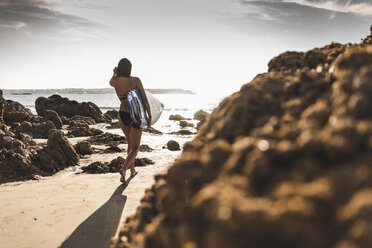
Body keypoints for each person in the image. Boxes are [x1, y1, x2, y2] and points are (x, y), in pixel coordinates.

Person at [109, 58, 152, 183]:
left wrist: (114, 73)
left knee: (130, 143)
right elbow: (144, 98)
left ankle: (132, 171)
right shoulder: (135, 80)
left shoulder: (115, 81)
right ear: (130, 68)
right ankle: (123, 169)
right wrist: (149, 115)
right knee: (135, 148)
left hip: (122, 114)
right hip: (135, 116)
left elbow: (110, 82)